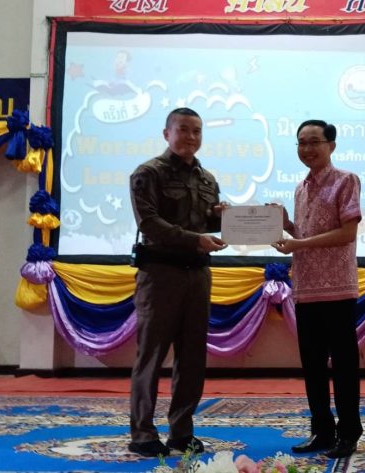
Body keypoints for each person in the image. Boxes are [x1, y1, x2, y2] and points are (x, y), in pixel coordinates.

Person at [127, 107, 228, 457]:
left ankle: (181, 432)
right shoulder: (148, 173)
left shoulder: (207, 179)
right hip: (160, 275)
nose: (191, 137)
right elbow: (149, 223)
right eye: (183, 129)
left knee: (192, 358)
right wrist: (195, 239)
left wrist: (224, 219)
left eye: (197, 131)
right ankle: (142, 433)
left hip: (197, 275)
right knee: (151, 356)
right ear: (167, 133)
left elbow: (205, 227)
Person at [272, 119, 363, 459]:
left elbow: (347, 233)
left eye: (314, 142)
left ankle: (349, 432)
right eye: (301, 142)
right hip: (306, 288)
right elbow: (304, 235)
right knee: (312, 366)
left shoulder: (345, 180)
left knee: (343, 366)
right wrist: (285, 225)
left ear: (331, 146)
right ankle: (322, 430)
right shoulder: (300, 188)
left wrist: (299, 243)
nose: (307, 149)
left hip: (338, 289)